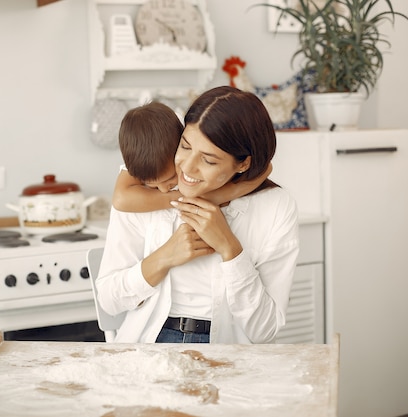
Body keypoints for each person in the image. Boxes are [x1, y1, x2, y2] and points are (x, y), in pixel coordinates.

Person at [96, 86, 299, 344]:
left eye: (209, 160)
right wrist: (163, 257)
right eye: (185, 146)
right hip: (149, 344)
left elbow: (265, 330)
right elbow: (109, 300)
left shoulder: (275, 207)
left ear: (243, 164)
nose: (187, 168)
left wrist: (230, 248)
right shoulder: (146, 191)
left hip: (227, 352)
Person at [112, 101, 271, 213]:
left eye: (169, 179)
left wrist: (231, 191)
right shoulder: (144, 153)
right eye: (152, 185)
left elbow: (266, 168)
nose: (163, 190)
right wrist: (202, 198)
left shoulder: (182, 141)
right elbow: (120, 200)